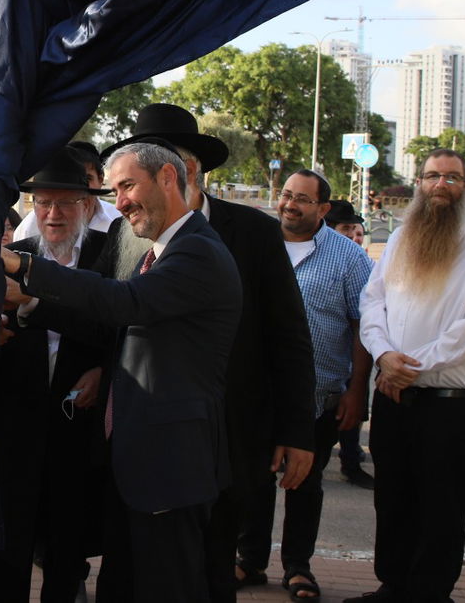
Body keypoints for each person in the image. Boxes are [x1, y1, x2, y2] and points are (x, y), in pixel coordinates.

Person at [2, 139, 241, 600]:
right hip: (138, 463)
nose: (121, 201)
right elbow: (109, 317)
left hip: (172, 466)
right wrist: (32, 302)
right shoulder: (158, 248)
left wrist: (20, 264)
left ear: (168, 177)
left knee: (167, 585)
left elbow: (125, 302)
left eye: (128, 185)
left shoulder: (196, 252)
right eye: (115, 190)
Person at [100, 104, 315, 599]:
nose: (126, 197)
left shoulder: (252, 232)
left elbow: (288, 334)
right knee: (132, 568)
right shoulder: (125, 231)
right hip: (143, 441)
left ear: (183, 171)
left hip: (229, 436)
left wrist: (296, 429)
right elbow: (106, 313)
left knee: (211, 567)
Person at [353, 148, 465, 602]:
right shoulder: (402, 239)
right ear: (419, 185)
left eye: (450, 177)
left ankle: (427, 595)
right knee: (392, 501)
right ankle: (393, 586)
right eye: (430, 176)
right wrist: (385, 355)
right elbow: (372, 303)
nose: (439, 185)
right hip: (394, 398)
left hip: (449, 408)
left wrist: (407, 368)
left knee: (441, 512)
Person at [0, 147, 112, 601]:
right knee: (9, 545)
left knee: (67, 546)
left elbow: (115, 325)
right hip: (15, 422)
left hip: (79, 425)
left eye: (65, 203)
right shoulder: (9, 258)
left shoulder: (108, 255)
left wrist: (103, 369)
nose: (53, 214)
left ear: (88, 204)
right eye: (43, 203)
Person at [238, 170, 372, 601]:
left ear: (323, 209)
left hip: (319, 394)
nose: (290, 205)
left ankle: (298, 566)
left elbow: (362, 325)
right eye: (286, 195)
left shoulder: (349, 258)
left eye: (302, 199)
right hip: (258, 390)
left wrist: (356, 391)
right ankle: (250, 560)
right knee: (256, 480)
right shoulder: (256, 243)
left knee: (304, 482)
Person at [323, 199, 373, 489]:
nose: (353, 235)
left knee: (352, 407)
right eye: (346, 229)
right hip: (324, 356)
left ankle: (350, 460)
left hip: (351, 352)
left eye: (356, 230)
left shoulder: (356, 258)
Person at [14, 139, 121, 241]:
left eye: (87, 178)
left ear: (100, 180)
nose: (53, 214)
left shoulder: (118, 220)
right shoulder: (29, 227)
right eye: (44, 202)